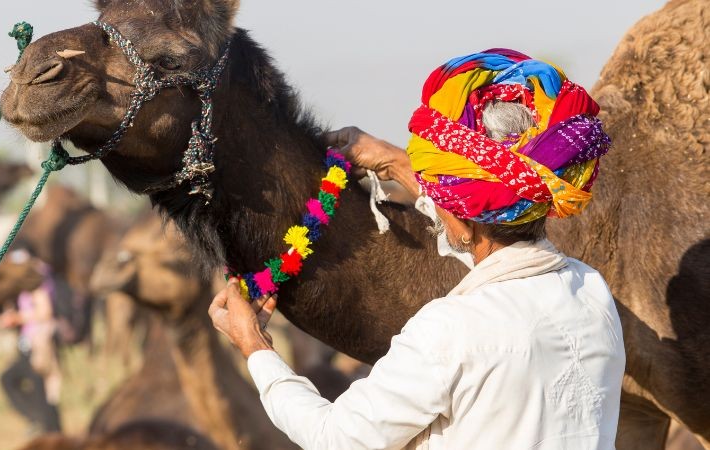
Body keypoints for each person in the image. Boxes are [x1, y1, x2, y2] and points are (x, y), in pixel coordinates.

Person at [208, 49, 625, 450]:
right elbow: (490, 243)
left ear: (461, 221)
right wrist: (397, 164)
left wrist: (255, 347)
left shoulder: (449, 330)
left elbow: (335, 437)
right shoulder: (591, 293)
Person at [0, 248, 63, 434]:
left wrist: (18, 318)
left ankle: (47, 427)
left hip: (38, 342)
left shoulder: (36, 282)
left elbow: (45, 311)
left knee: (38, 388)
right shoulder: (29, 284)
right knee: (38, 389)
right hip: (31, 341)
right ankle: (46, 426)